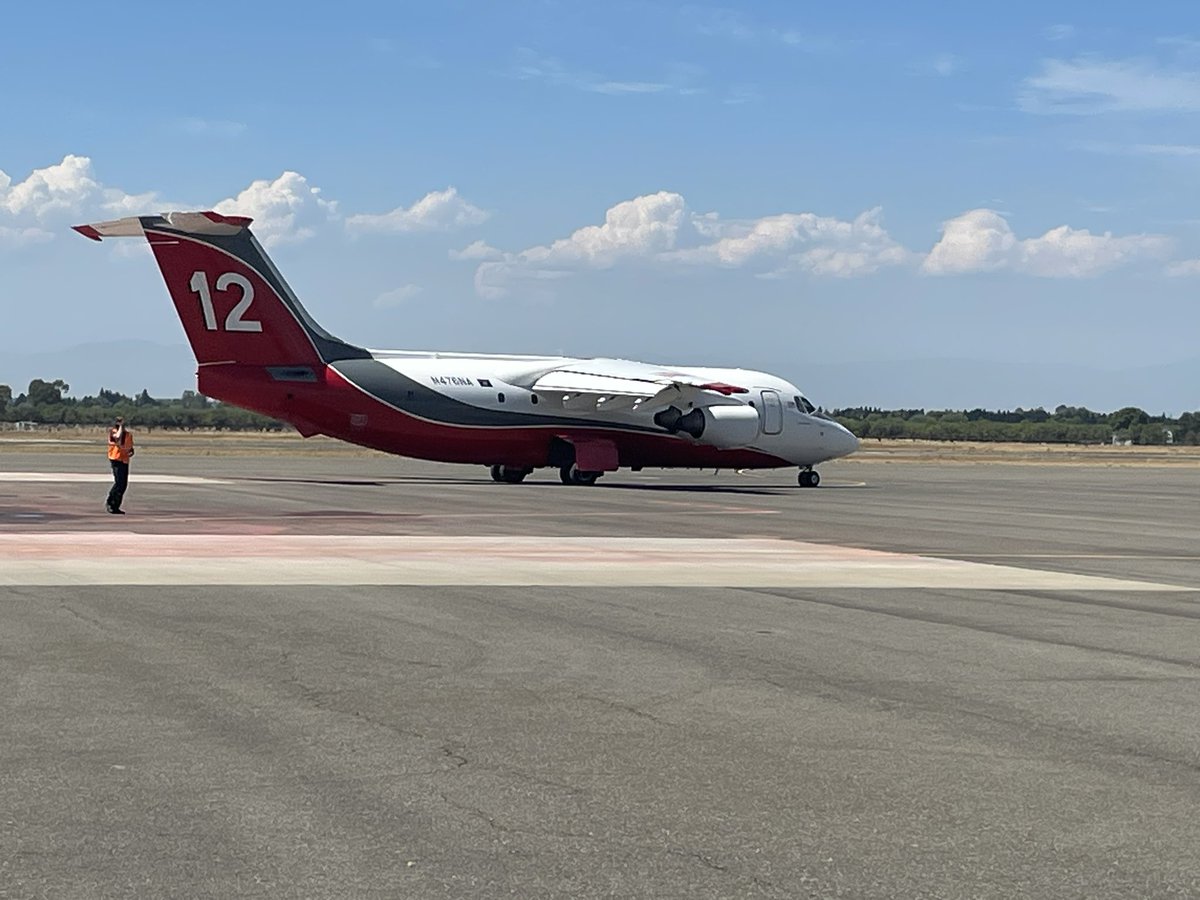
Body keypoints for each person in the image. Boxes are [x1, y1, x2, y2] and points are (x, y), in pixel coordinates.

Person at [106, 416, 134, 514]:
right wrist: (120, 426)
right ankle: (110, 502)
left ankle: (116, 505)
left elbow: (129, 446)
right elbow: (117, 438)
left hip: (124, 460)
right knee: (119, 483)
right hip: (116, 459)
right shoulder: (113, 432)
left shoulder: (128, 435)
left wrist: (131, 451)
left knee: (123, 484)